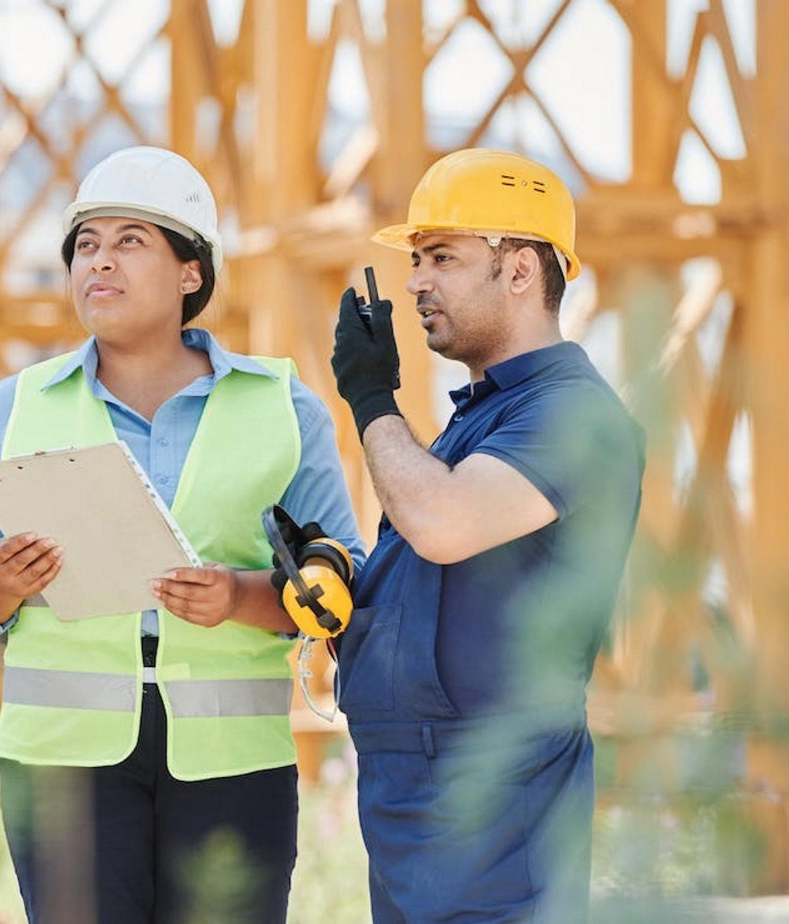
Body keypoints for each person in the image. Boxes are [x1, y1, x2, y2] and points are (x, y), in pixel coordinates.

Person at [0, 145, 364, 924]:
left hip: (233, 763)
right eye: (86, 246)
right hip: (62, 766)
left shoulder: (283, 410)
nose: (100, 263)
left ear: (191, 272)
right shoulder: (7, 412)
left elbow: (342, 582)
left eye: (130, 241)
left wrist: (239, 596)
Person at [325, 148, 645, 922]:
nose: (414, 282)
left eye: (441, 257)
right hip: (415, 802)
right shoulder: (475, 426)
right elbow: (429, 573)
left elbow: (444, 523)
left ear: (520, 270)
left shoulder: (574, 415)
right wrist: (336, 575)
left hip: (498, 810)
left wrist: (371, 397)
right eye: (415, 260)